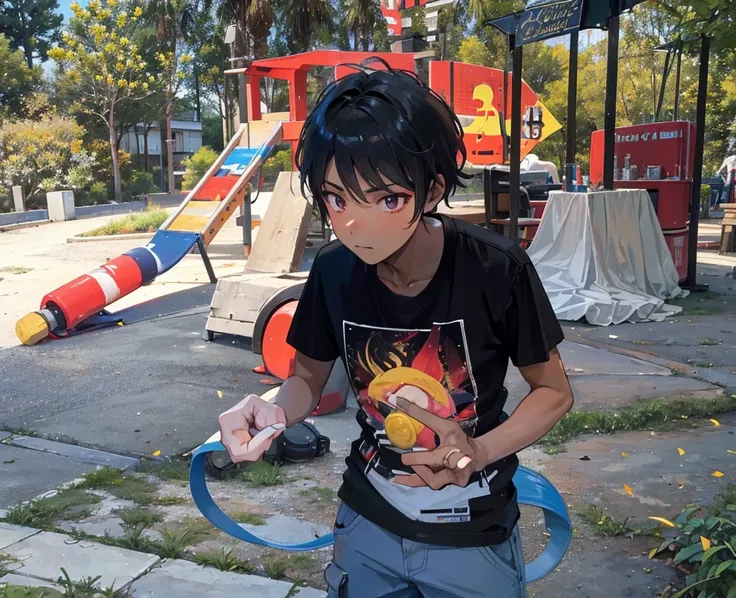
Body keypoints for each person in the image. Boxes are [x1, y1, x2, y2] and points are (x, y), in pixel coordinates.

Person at [218, 58, 574, 598]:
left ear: (430, 192)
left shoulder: (495, 268)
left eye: (387, 199)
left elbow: (553, 392)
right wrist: (275, 411)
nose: (356, 224)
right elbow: (308, 380)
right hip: (368, 520)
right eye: (337, 199)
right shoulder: (333, 272)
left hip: (473, 530)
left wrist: (479, 452)